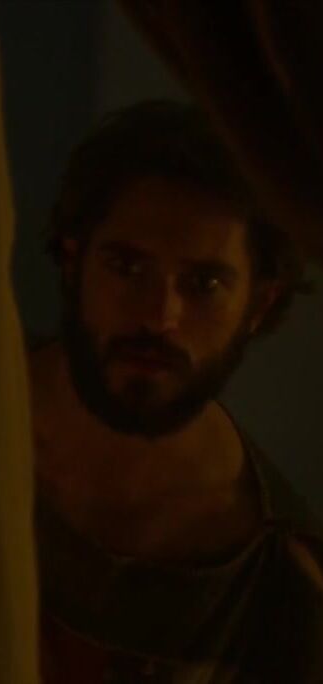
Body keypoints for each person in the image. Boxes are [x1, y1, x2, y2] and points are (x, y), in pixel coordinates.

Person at [29, 100, 323, 682]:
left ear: (258, 304)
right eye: (128, 267)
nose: (160, 317)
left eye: (204, 283)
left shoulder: (278, 588)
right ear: (73, 258)